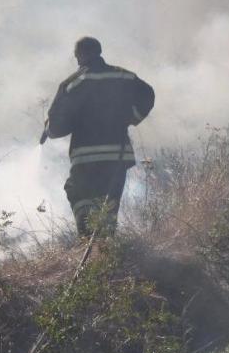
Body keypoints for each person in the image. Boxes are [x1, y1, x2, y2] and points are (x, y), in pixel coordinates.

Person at [41, 37, 155, 237]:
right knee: (109, 204)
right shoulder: (123, 76)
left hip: (85, 158)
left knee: (78, 194)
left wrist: (49, 130)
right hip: (117, 155)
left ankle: (87, 238)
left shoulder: (71, 84)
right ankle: (106, 245)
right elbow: (148, 94)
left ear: (79, 56)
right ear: (99, 51)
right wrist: (131, 118)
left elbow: (58, 126)